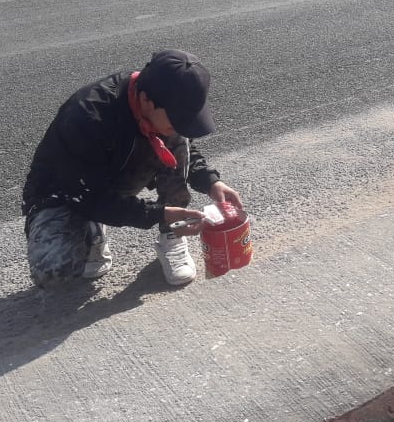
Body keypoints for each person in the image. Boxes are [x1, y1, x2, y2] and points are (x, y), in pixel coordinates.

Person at [21, 49, 244, 288]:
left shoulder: (160, 99)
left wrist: (211, 182)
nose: (182, 126)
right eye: (177, 119)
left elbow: (182, 150)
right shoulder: (87, 116)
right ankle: (91, 231)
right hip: (66, 192)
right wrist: (157, 212)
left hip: (113, 175)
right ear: (146, 101)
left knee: (174, 139)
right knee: (53, 270)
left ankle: (172, 233)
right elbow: (89, 197)